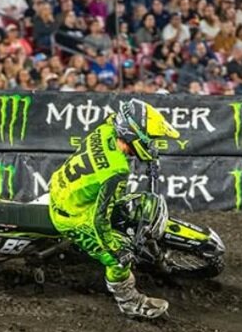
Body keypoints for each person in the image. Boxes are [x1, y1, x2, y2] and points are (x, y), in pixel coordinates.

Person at [48, 99, 179, 319]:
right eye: (151, 139)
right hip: (74, 215)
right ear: (133, 136)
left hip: (63, 188)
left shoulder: (105, 130)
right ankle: (129, 301)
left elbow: (116, 118)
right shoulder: (117, 170)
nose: (154, 144)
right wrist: (117, 251)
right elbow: (100, 220)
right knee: (119, 258)